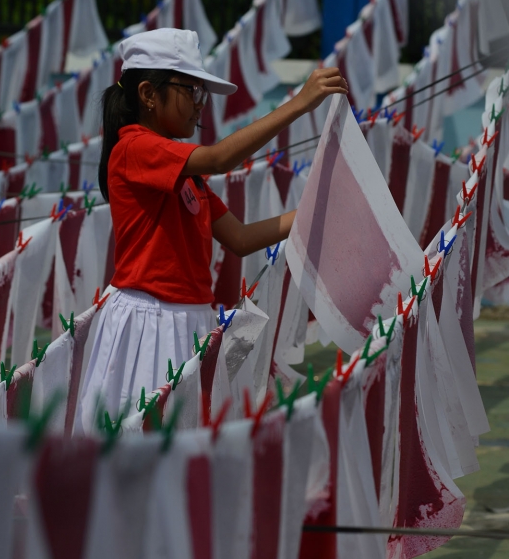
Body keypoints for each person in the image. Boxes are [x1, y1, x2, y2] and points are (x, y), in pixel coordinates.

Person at [79, 28, 348, 427]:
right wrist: (298, 105)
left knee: (184, 446)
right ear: (149, 94)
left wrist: (320, 207)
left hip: (190, 318)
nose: (200, 106)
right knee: (138, 446)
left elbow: (240, 238)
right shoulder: (133, 147)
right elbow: (221, 158)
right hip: (147, 321)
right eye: (191, 91)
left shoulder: (186, 173)